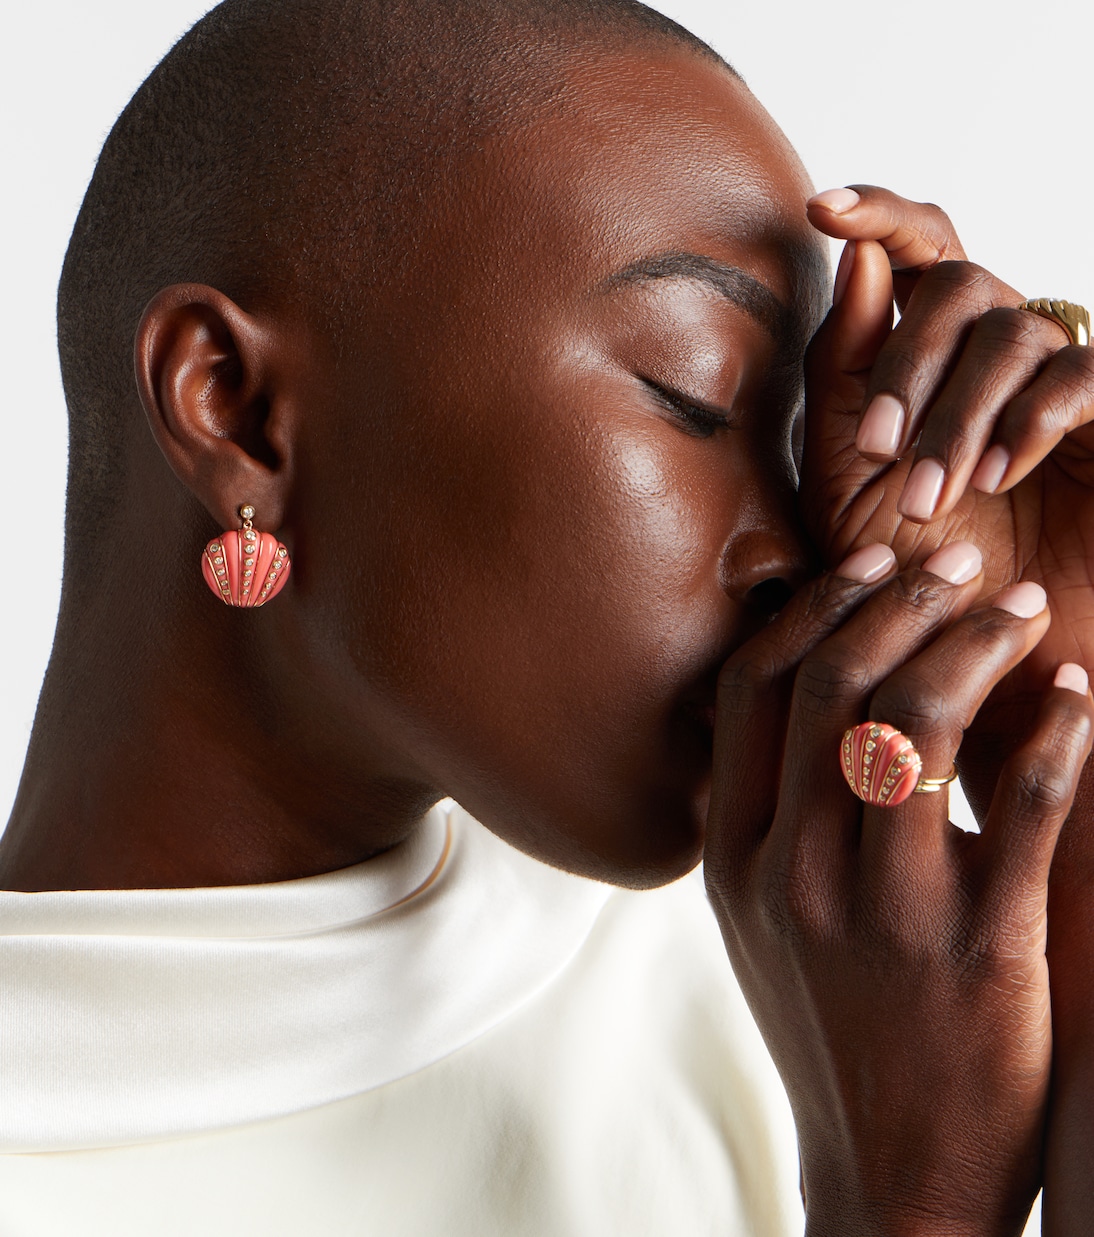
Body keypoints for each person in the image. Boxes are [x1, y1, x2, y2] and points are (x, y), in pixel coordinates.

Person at [1, 1, 1093, 1233]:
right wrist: (910, 1196)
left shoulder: (822, 952)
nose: (794, 548)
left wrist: (1054, 721)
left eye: (800, 444)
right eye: (693, 395)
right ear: (237, 408)